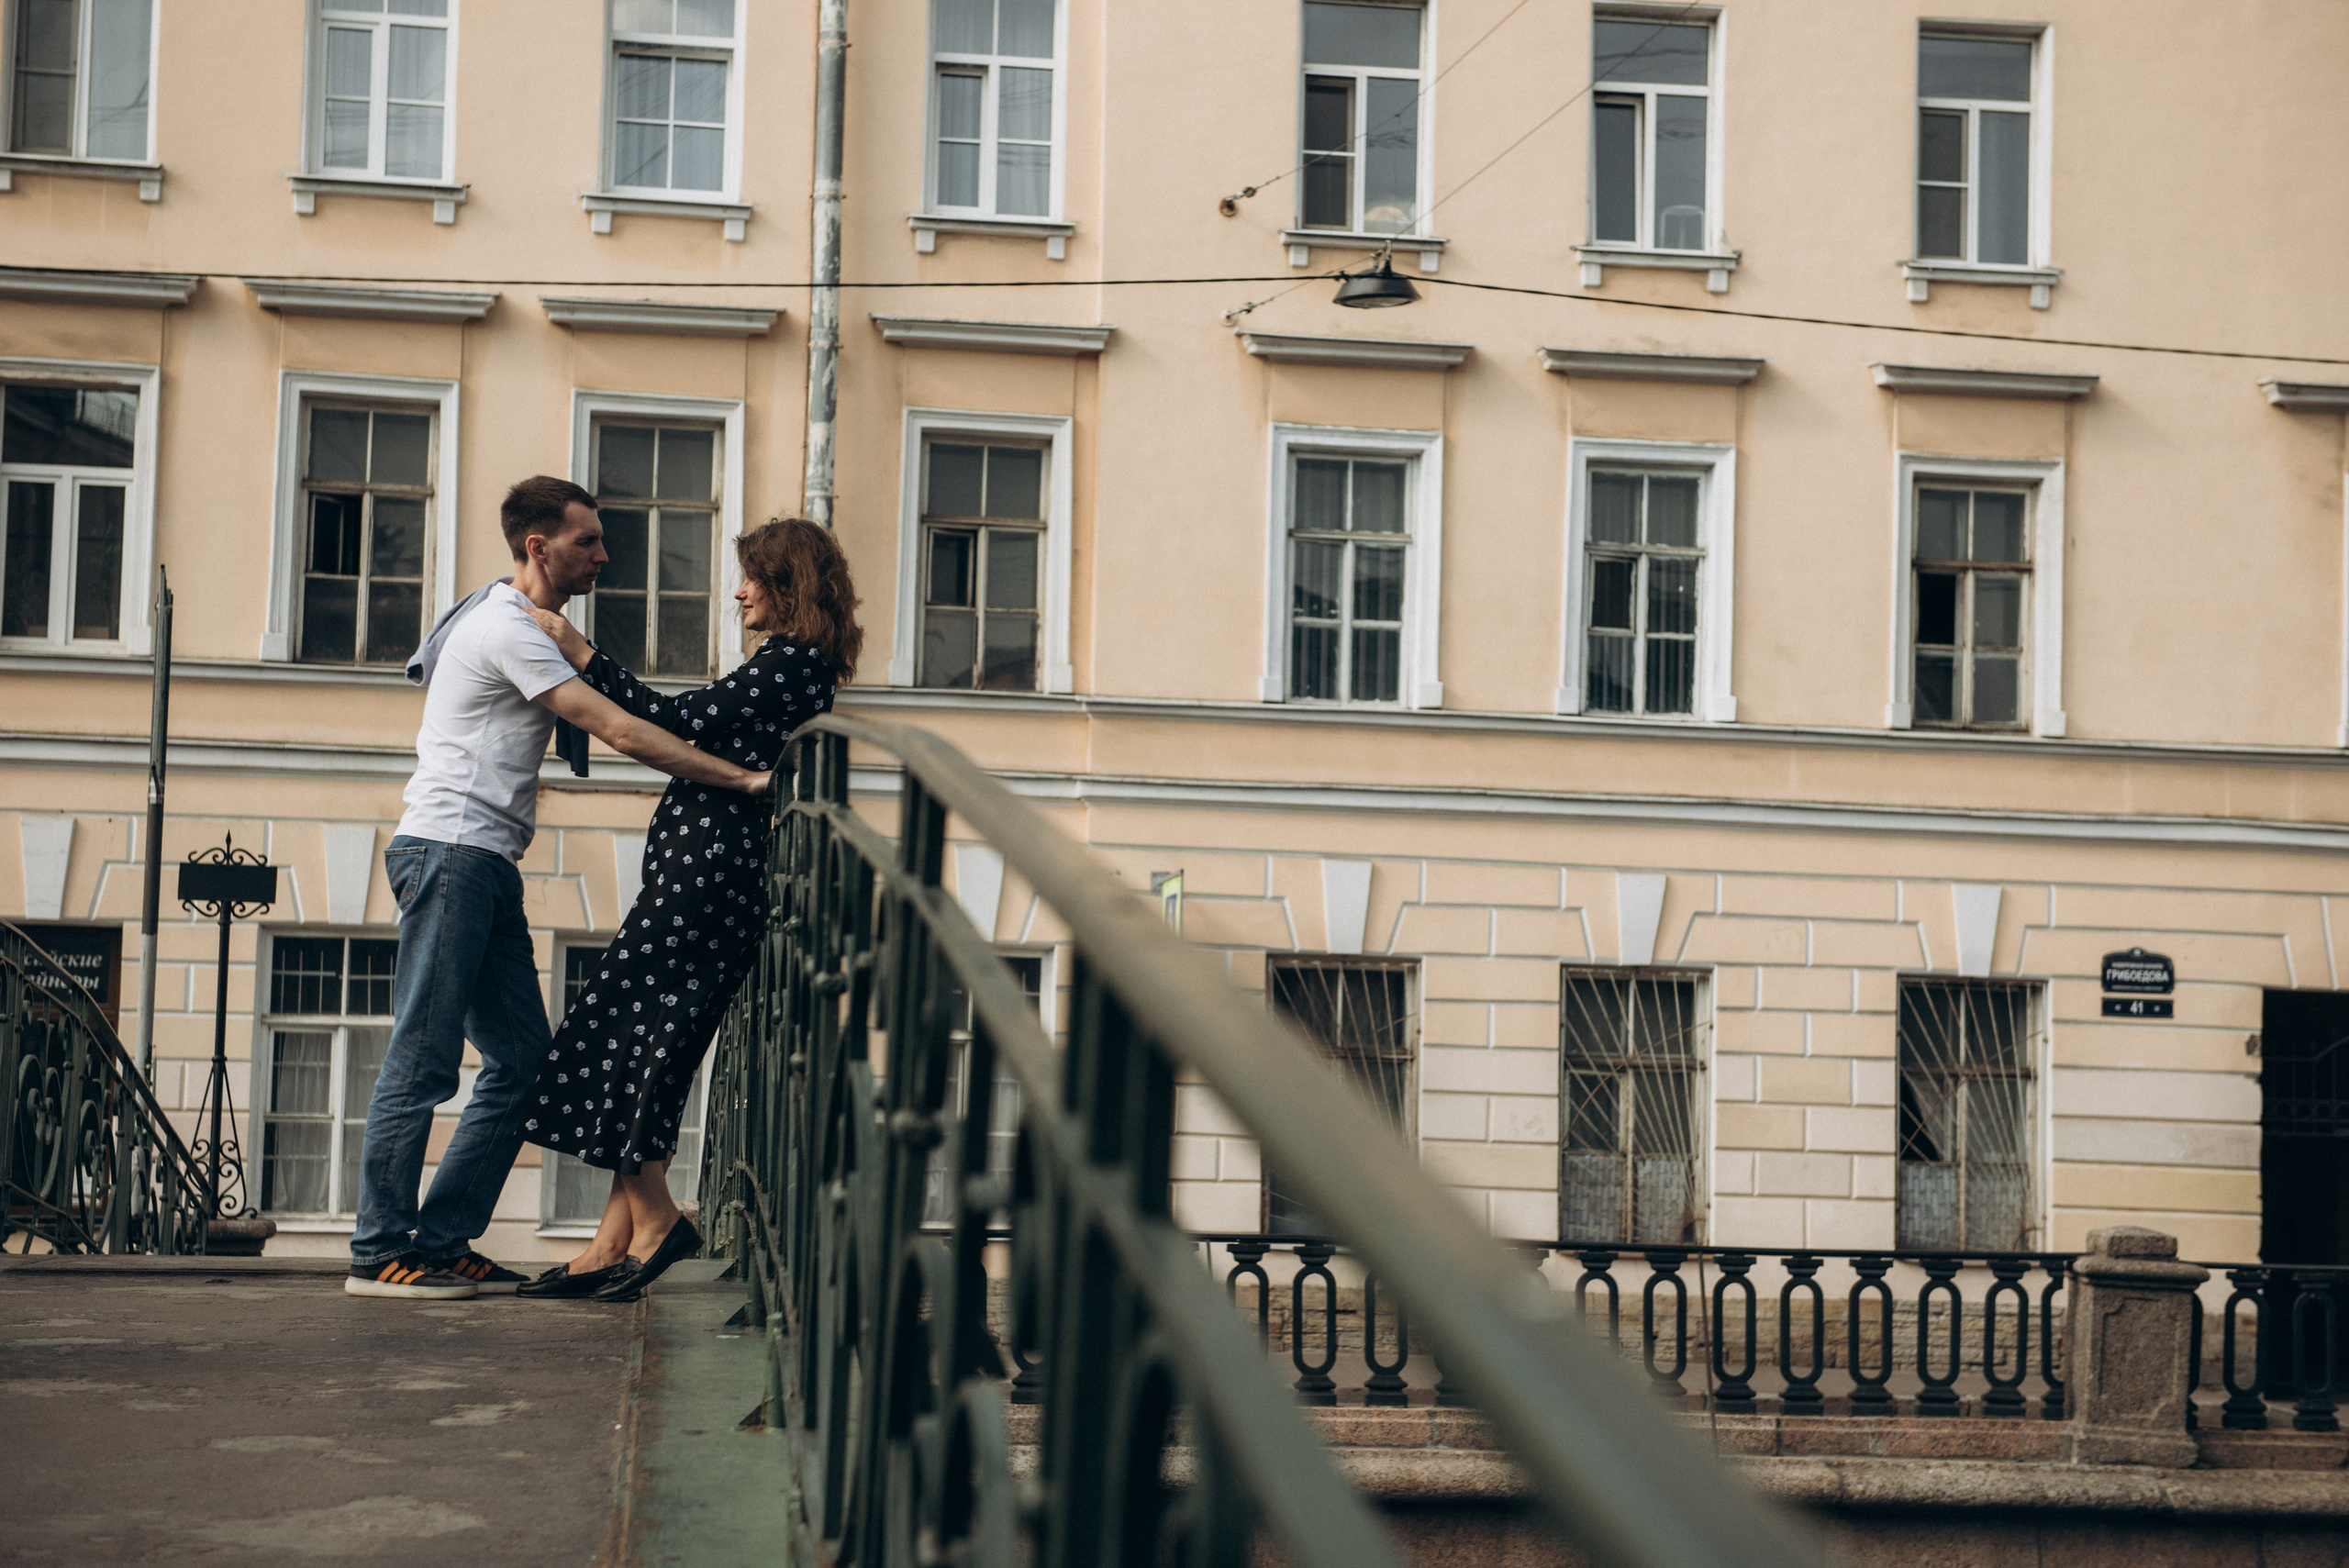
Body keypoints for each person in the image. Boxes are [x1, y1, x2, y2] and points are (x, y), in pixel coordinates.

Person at [347, 477, 774, 1301]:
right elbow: (614, 726)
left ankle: (439, 1237)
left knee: (523, 1063)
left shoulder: (520, 621)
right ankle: (378, 1248)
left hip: (484, 860)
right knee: (425, 1056)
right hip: (450, 852)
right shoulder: (507, 628)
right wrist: (742, 779)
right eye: (589, 542)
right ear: (538, 547)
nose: (605, 556)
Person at [515, 517, 863, 1302]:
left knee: (623, 1034)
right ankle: (610, 1241)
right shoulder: (793, 667)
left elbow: (673, 722)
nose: (739, 591)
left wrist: (579, 652)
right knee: (639, 1038)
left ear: (788, 587)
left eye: (753, 578)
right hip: (702, 882)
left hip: (706, 886)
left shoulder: (790, 665)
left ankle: (660, 1219)